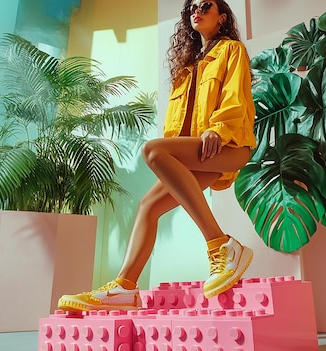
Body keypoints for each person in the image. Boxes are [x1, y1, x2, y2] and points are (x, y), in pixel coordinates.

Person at [58, 0, 256, 312]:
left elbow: (236, 96)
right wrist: (174, 162)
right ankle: (125, 287)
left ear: (222, 17)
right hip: (198, 153)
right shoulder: (187, 67)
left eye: (206, 5)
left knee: (152, 150)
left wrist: (218, 129)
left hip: (228, 145)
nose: (196, 10)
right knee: (148, 206)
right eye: (191, 7)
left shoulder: (231, 50)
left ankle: (221, 245)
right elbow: (176, 126)